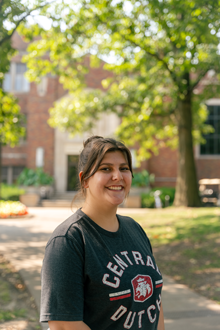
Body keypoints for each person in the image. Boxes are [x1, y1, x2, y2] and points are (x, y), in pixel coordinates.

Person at [40, 136, 165, 330]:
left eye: (124, 168)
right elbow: (63, 324)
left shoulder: (135, 229)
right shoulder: (68, 240)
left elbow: (154, 304)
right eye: (106, 169)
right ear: (85, 180)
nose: (118, 176)